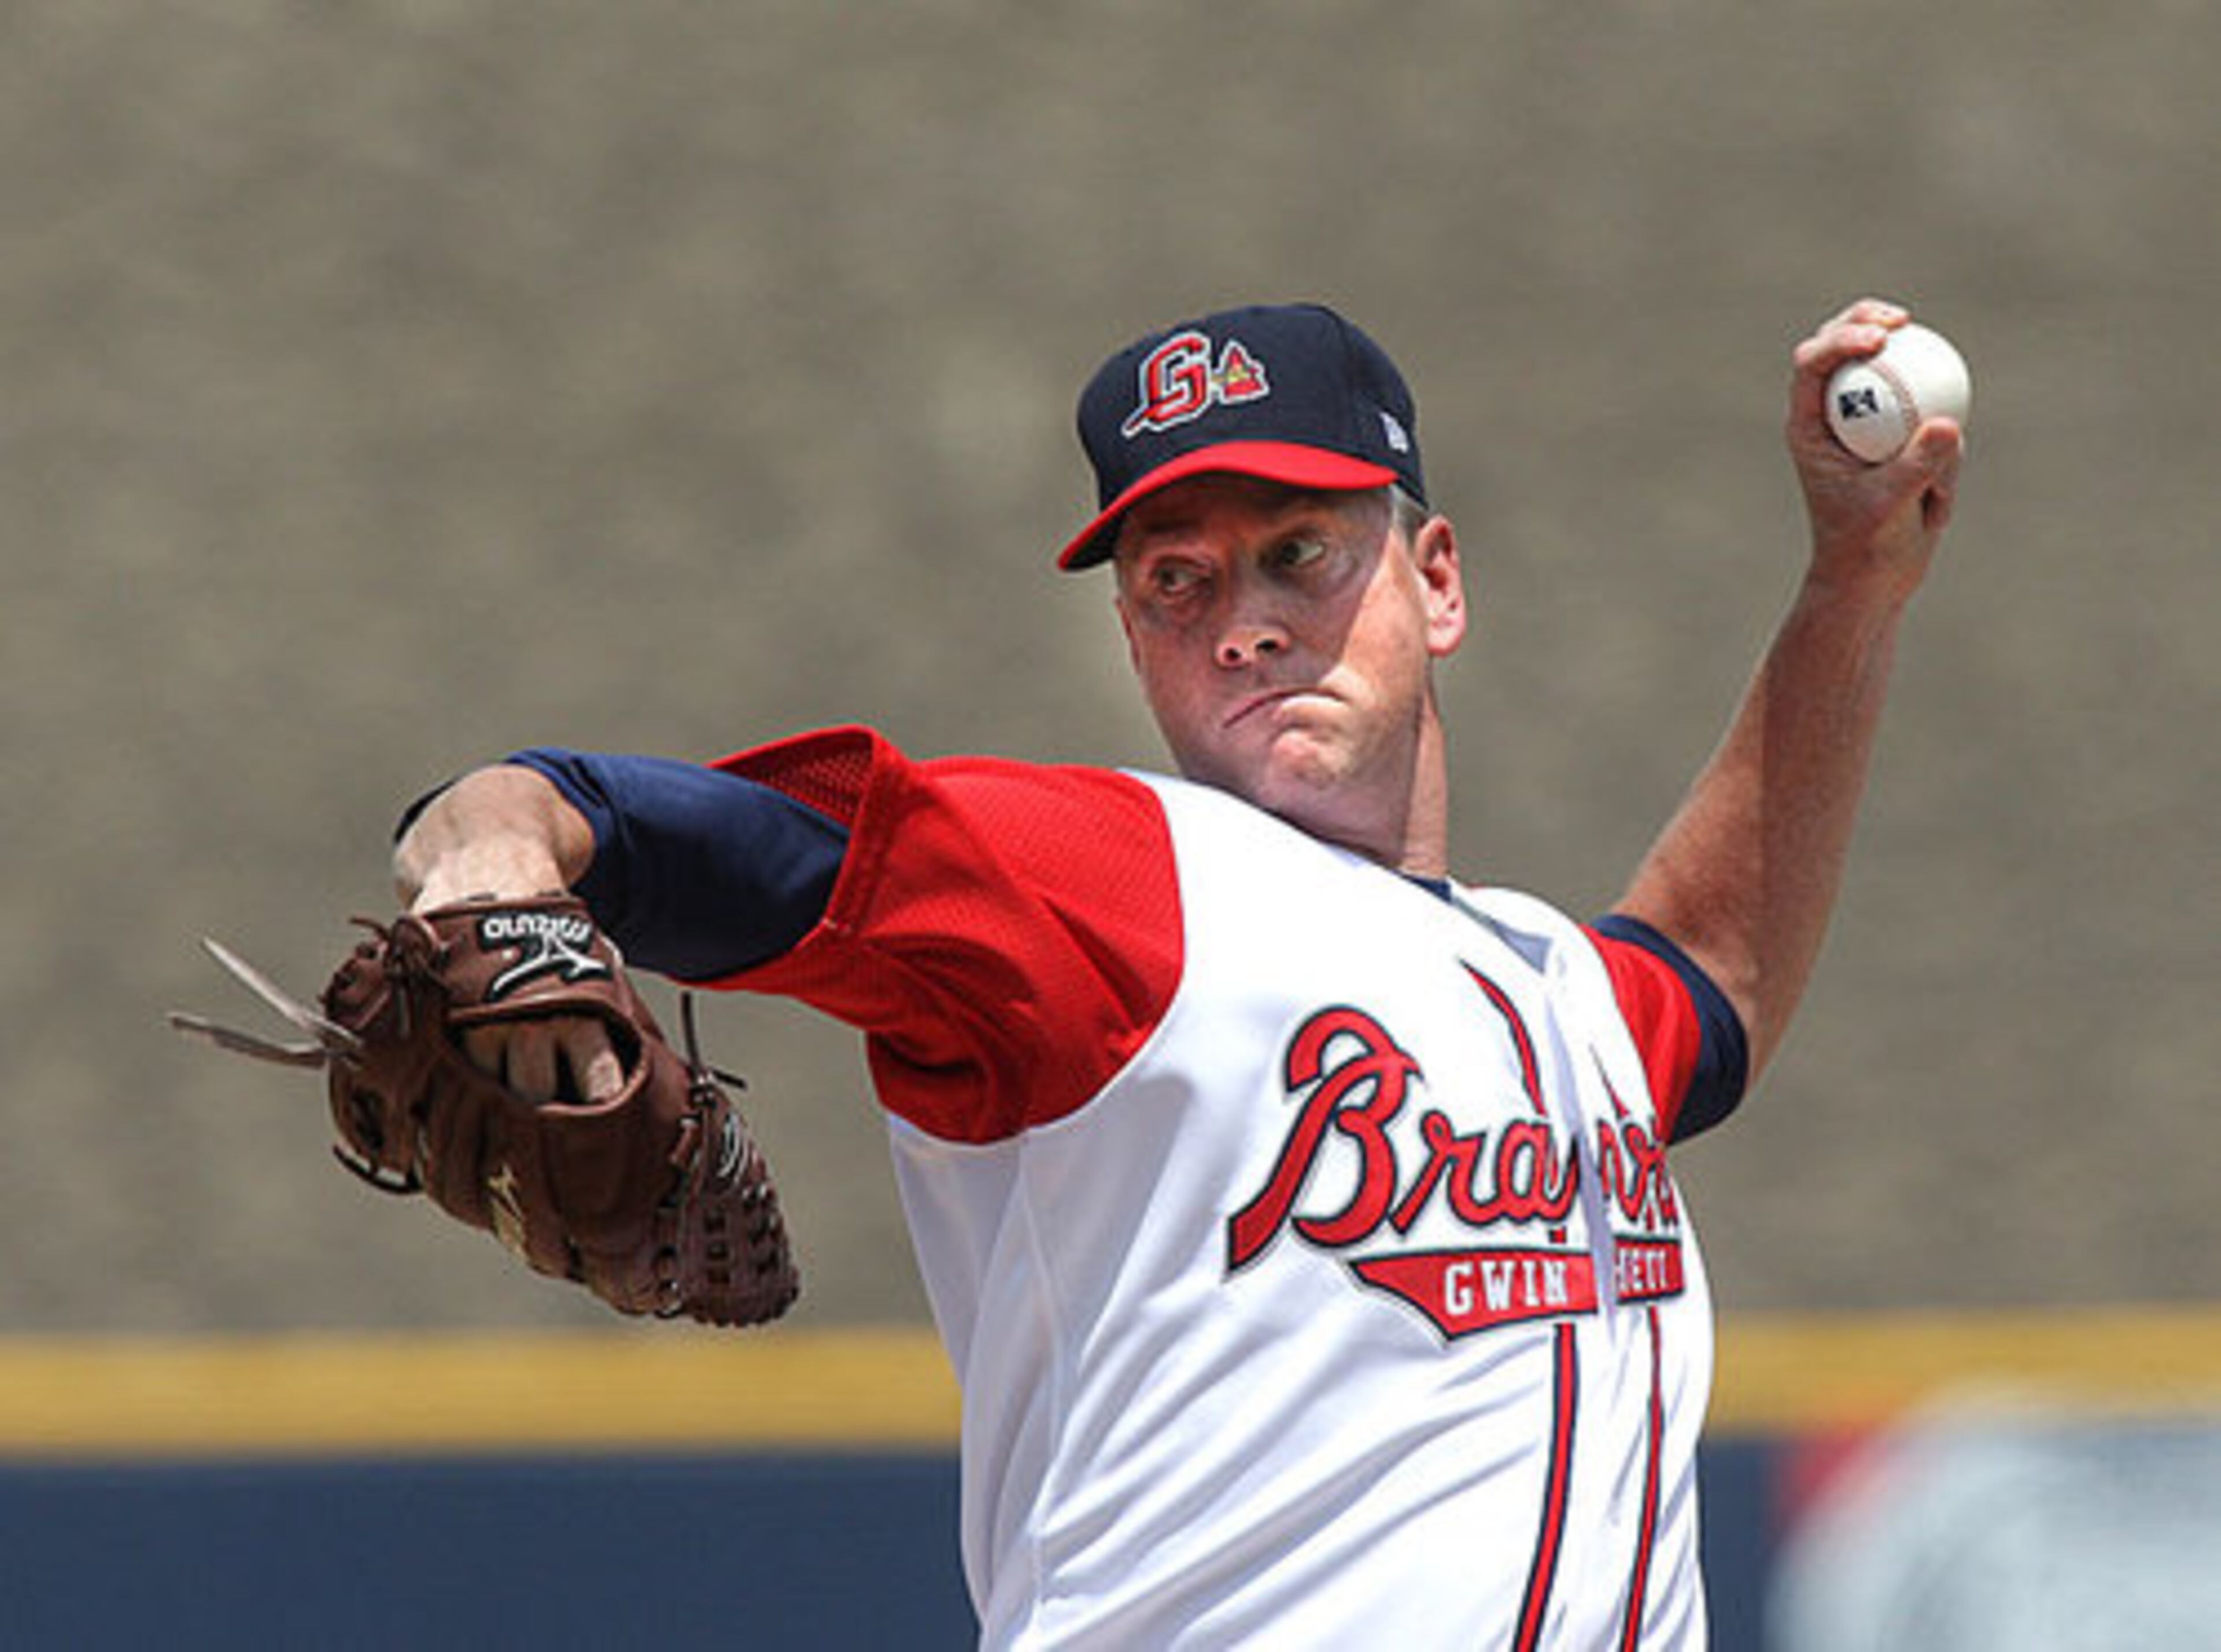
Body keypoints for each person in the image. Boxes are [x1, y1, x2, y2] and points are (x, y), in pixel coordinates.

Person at [392, 298, 1963, 1648]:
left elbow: (1711, 965)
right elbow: (721, 842)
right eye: (1177, 581)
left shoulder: (1557, 987)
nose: (1242, 623)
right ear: (1136, 640)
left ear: (1437, 580)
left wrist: (1854, 585)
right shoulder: (1115, 880)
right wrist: (503, 831)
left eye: (1298, 554)